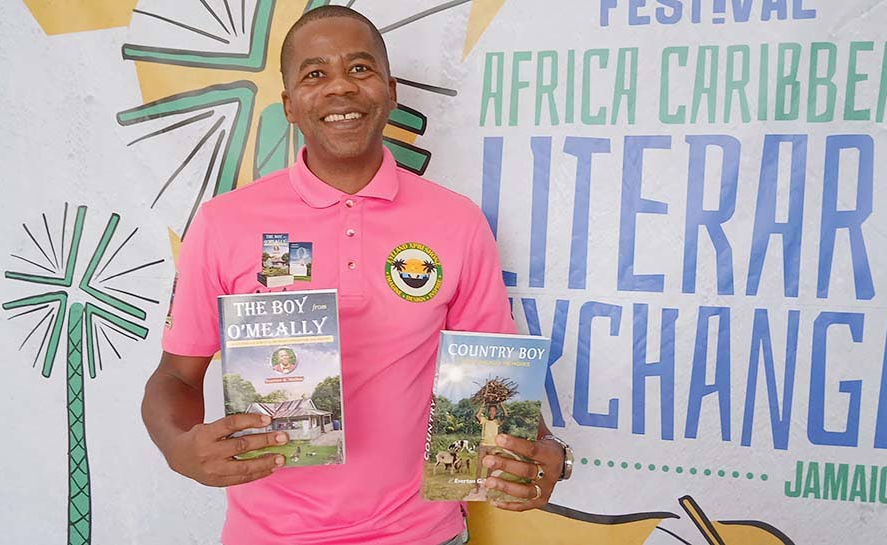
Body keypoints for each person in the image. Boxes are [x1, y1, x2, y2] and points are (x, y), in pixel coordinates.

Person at [141, 7, 570, 545]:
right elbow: (175, 378)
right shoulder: (223, 223)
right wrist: (177, 447)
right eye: (315, 74)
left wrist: (545, 447)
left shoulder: (456, 222)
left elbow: (494, 380)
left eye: (360, 69)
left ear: (389, 91)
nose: (340, 88)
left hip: (423, 534)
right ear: (289, 105)